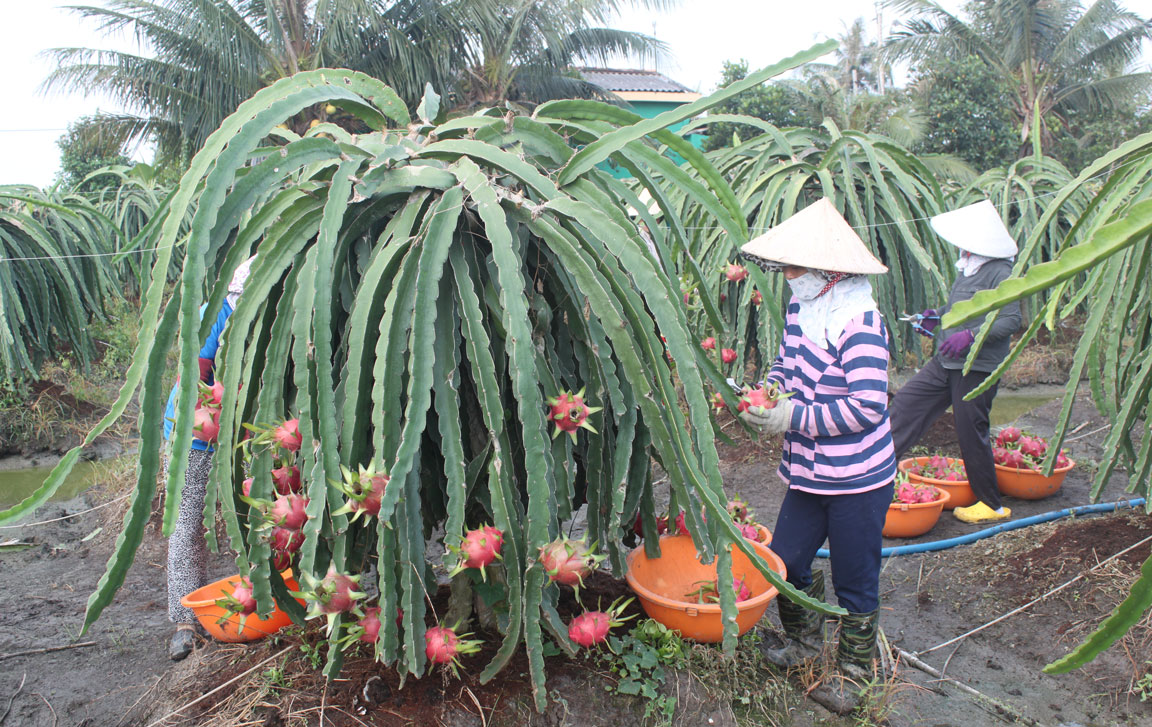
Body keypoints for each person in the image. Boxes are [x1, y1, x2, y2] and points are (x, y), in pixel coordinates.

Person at [737, 198, 895, 714]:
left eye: (794, 265)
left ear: (828, 269)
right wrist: (769, 392)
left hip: (858, 479)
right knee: (786, 559)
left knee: (855, 576)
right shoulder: (804, 307)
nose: (786, 274)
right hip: (808, 472)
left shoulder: (860, 322)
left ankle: (855, 675)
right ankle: (804, 645)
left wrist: (793, 419)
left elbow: (868, 405)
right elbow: (786, 363)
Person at [889, 200, 1022, 524]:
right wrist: (938, 318)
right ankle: (873, 474)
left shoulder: (1000, 271)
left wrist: (970, 336)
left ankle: (991, 504)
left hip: (977, 367)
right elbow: (961, 309)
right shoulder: (969, 266)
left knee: (969, 430)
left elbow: (1010, 320)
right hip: (947, 362)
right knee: (906, 404)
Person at [162, 255, 254, 660]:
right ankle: (185, 622)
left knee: (259, 514)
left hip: (244, 435)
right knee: (187, 522)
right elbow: (193, 381)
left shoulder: (270, 316)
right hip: (195, 434)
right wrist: (225, 408)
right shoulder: (214, 313)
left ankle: (259, 597)